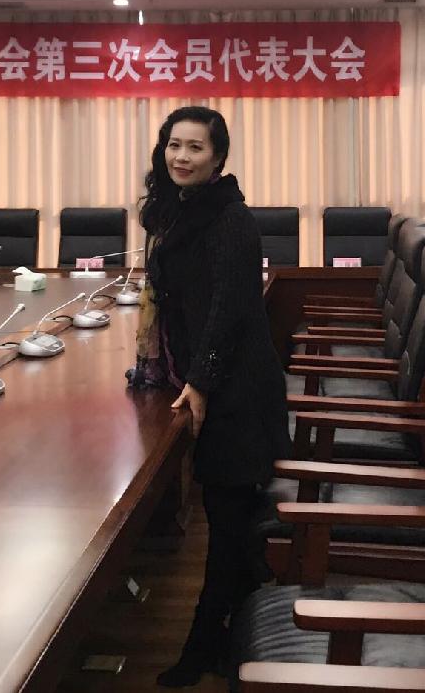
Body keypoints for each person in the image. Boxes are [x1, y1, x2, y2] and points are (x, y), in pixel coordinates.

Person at [128, 105, 292, 687]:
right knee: (233, 523)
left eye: (195, 147)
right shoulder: (177, 210)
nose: (181, 156)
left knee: (226, 525)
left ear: (218, 157)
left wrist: (199, 381)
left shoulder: (229, 219)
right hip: (210, 378)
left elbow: (229, 312)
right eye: (174, 145)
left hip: (238, 392)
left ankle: (203, 648)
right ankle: (239, 638)